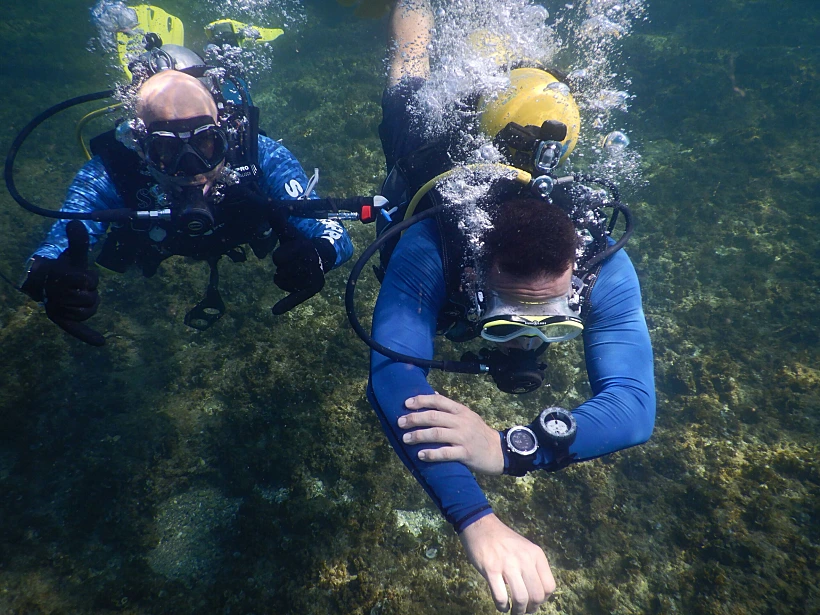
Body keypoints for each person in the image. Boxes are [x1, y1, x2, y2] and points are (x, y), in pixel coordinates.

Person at [366, 2, 656, 613]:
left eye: (554, 323)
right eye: (505, 321)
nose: (527, 343)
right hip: (427, 152)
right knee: (409, 82)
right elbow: (393, 374)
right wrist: (477, 520)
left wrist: (509, 447)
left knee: (514, 87)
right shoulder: (433, 245)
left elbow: (634, 407)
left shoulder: (600, 263)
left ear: (576, 285)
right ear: (473, 274)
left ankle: (503, 59)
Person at [18, 42, 353, 346]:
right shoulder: (109, 173)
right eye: (165, 149)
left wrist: (318, 256)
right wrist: (50, 280)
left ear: (226, 132)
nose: (191, 167)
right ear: (138, 145)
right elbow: (54, 246)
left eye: (205, 142)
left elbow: (335, 233)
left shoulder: (259, 156)